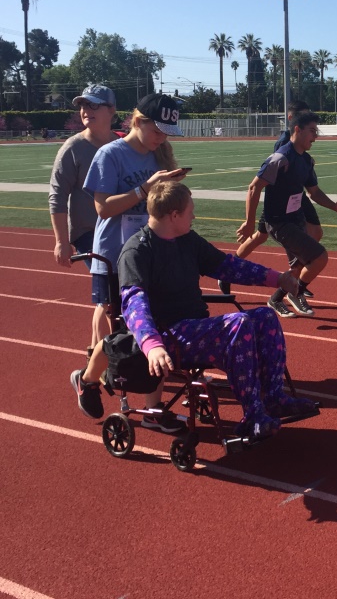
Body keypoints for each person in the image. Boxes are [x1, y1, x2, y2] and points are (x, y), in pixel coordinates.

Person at [117, 181, 315, 439]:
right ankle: (253, 416)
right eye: (191, 211)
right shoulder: (137, 250)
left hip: (196, 328)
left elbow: (228, 266)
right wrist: (151, 344)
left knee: (265, 316)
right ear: (174, 216)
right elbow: (134, 303)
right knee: (239, 323)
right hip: (168, 336)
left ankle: (274, 397)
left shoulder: (187, 240)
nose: (195, 216)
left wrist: (276, 278)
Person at [70, 93, 188, 424]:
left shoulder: (158, 154)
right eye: (158, 130)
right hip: (112, 254)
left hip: (147, 252)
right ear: (138, 121)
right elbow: (102, 207)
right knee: (120, 333)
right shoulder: (111, 155)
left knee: (155, 325)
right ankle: (88, 379)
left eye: (167, 132)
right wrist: (143, 190)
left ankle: (152, 409)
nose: (162, 137)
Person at [237, 110, 337, 318]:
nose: (315, 136)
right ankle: (295, 293)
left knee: (298, 265)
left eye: (316, 131)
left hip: (296, 219)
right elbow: (254, 187)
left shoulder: (306, 160)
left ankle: (277, 298)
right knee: (319, 257)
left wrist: (334, 206)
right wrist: (250, 222)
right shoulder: (280, 158)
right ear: (297, 129)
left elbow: (313, 192)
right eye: (312, 131)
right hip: (279, 223)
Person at [49, 84, 120, 358]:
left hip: (120, 230)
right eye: (83, 105)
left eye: (93, 105)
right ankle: (105, 357)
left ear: (111, 110)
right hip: (89, 233)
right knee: (109, 295)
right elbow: (57, 197)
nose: (85, 111)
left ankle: (96, 351)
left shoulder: (120, 145)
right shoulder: (73, 148)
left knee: (115, 295)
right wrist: (61, 242)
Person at [236, 100, 322, 263]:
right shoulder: (284, 144)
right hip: (283, 199)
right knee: (262, 236)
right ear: (292, 119)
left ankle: (296, 277)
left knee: (262, 236)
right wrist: (249, 220)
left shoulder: (302, 150)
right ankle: (295, 277)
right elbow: (268, 177)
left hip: (296, 194)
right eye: (302, 116)